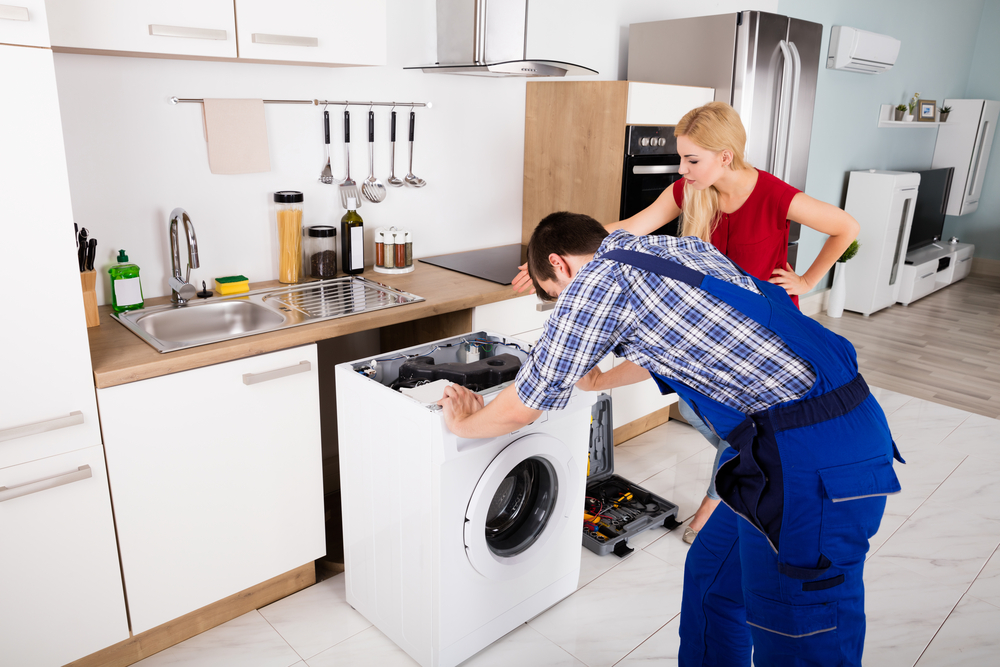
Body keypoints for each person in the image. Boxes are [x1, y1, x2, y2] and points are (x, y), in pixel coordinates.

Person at [442, 211, 902, 667]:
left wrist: (463, 424)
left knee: (799, 633)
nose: (563, 302)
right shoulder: (673, 248)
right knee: (712, 584)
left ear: (559, 266)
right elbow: (680, 338)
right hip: (798, 441)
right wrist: (598, 382)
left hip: (812, 463)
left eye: (555, 294)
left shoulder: (593, 285)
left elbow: (527, 403)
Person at [511, 101, 859, 543]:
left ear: (725, 157)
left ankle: (721, 506)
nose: (683, 168)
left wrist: (807, 279)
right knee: (723, 426)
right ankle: (743, 490)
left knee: (743, 429)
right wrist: (550, 252)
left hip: (759, 330)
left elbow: (846, 226)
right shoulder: (688, 190)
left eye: (691, 159)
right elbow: (626, 229)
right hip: (702, 331)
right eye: (681, 157)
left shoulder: (774, 195)